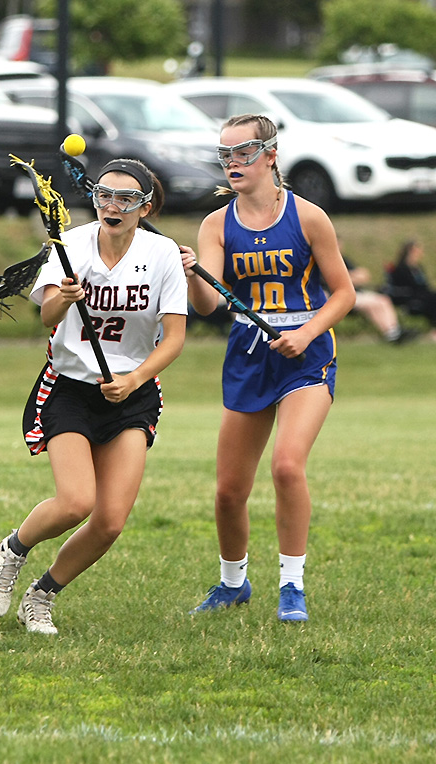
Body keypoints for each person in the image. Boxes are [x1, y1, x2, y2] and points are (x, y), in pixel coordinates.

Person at [0, 158, 188, 635]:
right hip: (70, 388)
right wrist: (66, 297)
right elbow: (46, 314)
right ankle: (11, 550)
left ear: (145, 206)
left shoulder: (163, 256)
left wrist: (134, 380)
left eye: (125, 199)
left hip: (131, 395)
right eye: (104, 196)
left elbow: (174, 339)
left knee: (110, 521)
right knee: (76, 502)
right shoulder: (69, 246)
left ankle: (42, 595)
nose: (112, 206)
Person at [184, 114, 355, 622]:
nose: (233, 162)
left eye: (244, 152)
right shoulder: (216, 224)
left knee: (286, 466)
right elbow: (208, 305)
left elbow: (344, 293)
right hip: (249, 354)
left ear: (271, 155)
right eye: (225, 155)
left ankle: (292, 586)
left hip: (308, 356)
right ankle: (233, 583)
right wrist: (193, 272)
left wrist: (306, 332)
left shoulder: (309, 218)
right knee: (229, 491)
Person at [344, 255, 417, 343]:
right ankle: (390, 333)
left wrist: (349, 277)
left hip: (357, 292)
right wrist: (352, 277)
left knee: (383, 300)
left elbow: (364, 275)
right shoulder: (328, 258)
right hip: (344, 296)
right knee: (372, 305)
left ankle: (394, 330)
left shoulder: (343, 258)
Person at [387, 239, 436, 342]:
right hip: (409, 298)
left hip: (423, 296)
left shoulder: (418, 268)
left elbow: (424, 285)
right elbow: (403, 287)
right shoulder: (401, 268)